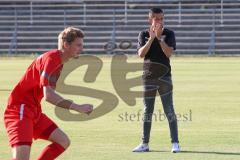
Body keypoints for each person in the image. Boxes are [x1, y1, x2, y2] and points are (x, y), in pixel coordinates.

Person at [4, 27, 93, 160]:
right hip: (20, 110)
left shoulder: (58, 62)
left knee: (63, 141)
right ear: (66, 45)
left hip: (33, 111)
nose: (81, 48)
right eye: (78, 45)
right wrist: (77, 107)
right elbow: (49, 96)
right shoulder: (51, 59)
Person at [132, 8, 180, 153]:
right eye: (155, 18)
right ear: (150, 19)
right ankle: (144, 144)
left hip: (165, 77)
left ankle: (175, 143)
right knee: (147, 111)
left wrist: (159, 38)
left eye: (161, 18)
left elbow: (168, 53)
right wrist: (152, 38)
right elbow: (141, 54)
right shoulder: (143, 34)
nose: (158, 21)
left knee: (169, 110)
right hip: (148, 78)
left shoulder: (169, 34)